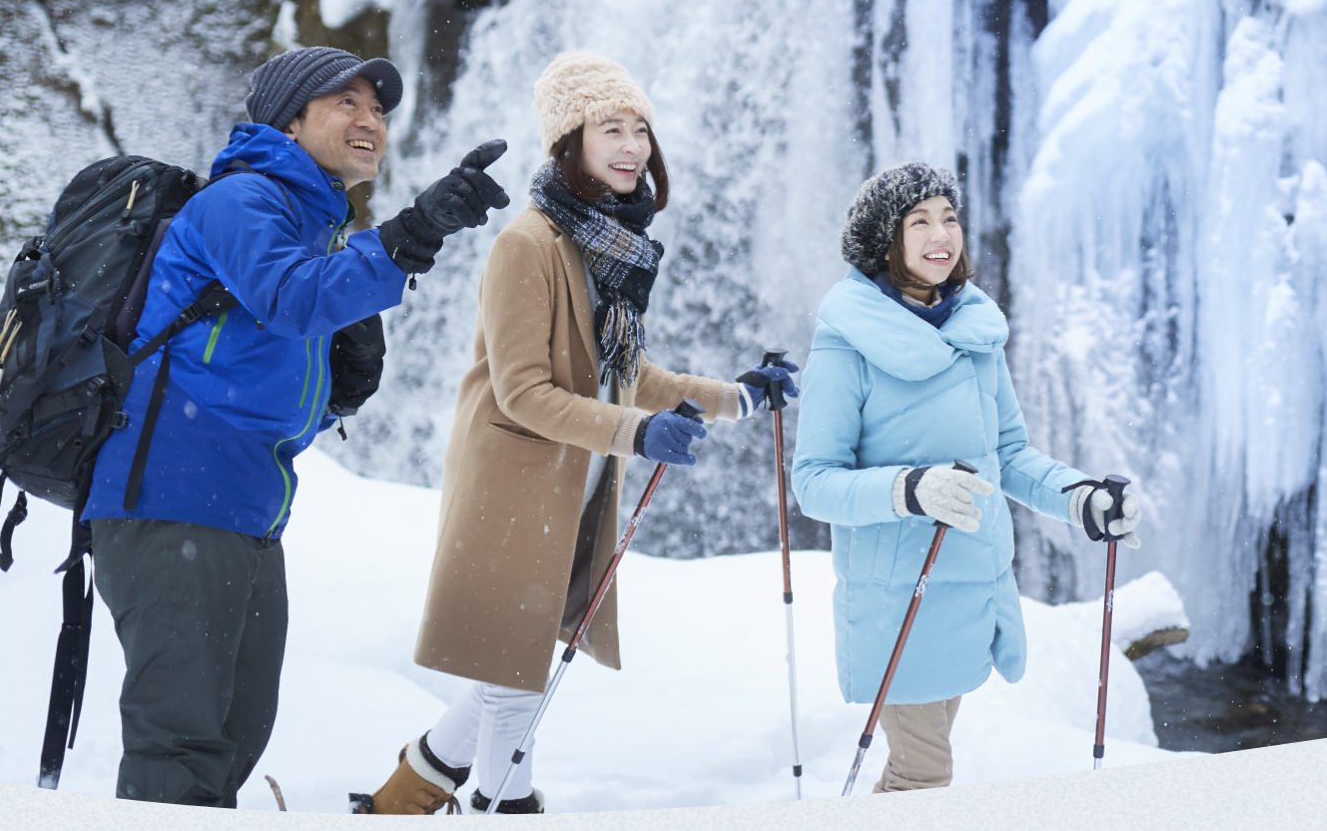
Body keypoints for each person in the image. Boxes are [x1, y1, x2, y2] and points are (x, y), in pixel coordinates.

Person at [356, 52, 801, 815]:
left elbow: (627, 374)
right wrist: (637, 434)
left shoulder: (605, 247)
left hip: (573, 489)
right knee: (513, 683)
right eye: (610, 129)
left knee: (507, 671)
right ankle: (507, 806)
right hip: (514, 491)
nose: (632, 147)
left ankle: (408, 793)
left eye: (639, 129)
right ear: (571, 140)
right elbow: (524, 392)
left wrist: (738, 398)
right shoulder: (527, 244)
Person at [84, 45, 511, 807]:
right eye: (345, 102)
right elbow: (288, 299)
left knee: (234, 735)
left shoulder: (313, 227)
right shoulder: (241, 201)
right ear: (289, 119)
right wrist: (412, 233)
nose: (370, 120)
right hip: (172, 498)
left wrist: (337, 392)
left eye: (378, 110)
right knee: (177, 743)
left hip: (245, 510)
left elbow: (262, 358)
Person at [792, 162, 1147, 793]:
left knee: (914, 773)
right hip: (902, 593)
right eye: (920, 220)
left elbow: (1007, 453)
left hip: (972, 584)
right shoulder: (846, 342)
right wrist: (908, 490)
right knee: (923, 774)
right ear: (886, 240)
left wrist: (1079, 498)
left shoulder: (973, 330)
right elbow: (815, 482)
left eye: (949, 218)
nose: (942, 234)